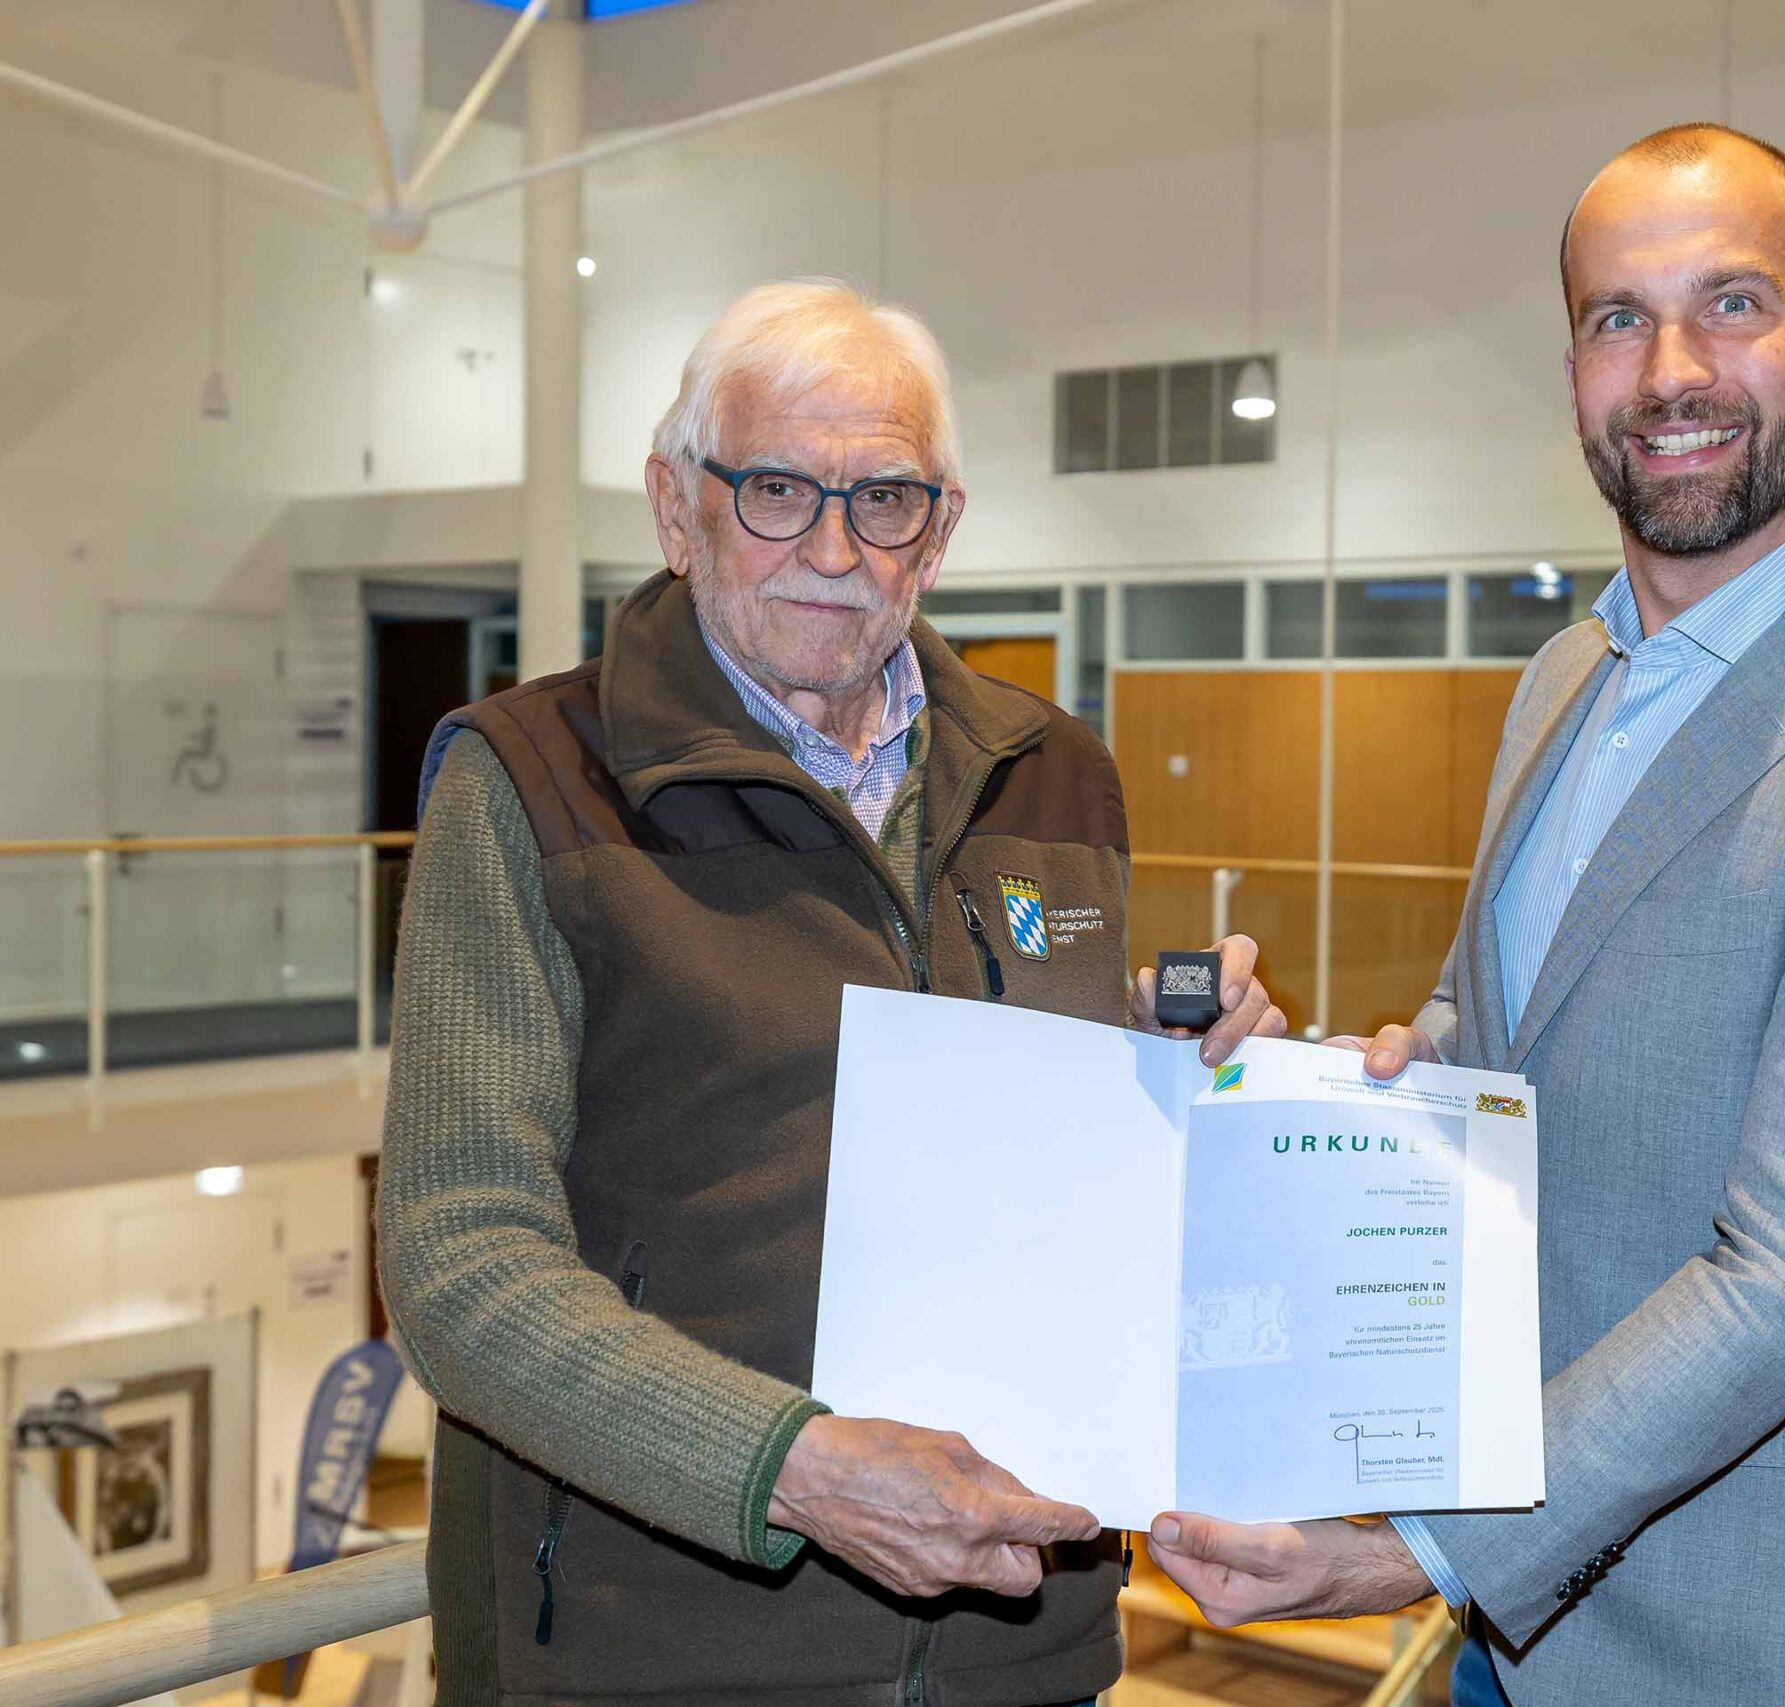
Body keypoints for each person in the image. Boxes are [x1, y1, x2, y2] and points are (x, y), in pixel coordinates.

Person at [1144, 124, 1785, 1707]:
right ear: (1576, 370)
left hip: (1768, 1635)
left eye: (1735, 303)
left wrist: (1416, 1548)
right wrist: (1304, 1081)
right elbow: (1498, 1035)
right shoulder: (1566, 680)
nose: (1672, 369)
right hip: (1526, 1630)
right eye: (1617, 318)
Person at [376, 278, 1286, 1707]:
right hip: (662, 1661)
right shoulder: (530, 781)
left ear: (943, 526)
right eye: (778, 491)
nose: (833, 549)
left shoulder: (1053, 771)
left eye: (885, 499)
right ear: (677, 508)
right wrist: (788, 1469)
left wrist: (1175, 1066)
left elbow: (1048, 1163)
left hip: (1022, 1655)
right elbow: (457, 1261)